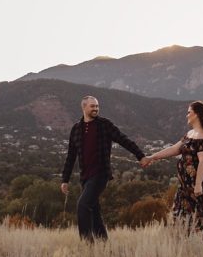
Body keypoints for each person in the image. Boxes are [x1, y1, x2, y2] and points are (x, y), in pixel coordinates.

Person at [61, 95, 149, 242]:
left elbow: (123, 139)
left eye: (97, 106)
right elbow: (71, 156)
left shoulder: (104, 124)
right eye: (92, 106)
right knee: (94, 211)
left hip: (100, 174)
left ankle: (87, 244)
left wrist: (140, 156)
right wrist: (65, 179)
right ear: (84, 107)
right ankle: (103, 244)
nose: (96, 108)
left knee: (83, 205)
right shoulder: (76, 129)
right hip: (85, 177)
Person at [144, 100, 203, 236]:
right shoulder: (190, 134)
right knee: (181, 216)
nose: (187, 115)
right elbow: (174, 149)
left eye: (189, 112)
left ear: (196, 114)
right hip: (184, 186)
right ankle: (184, 243)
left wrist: (198, 185)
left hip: (196, 187)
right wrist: (152, 157)